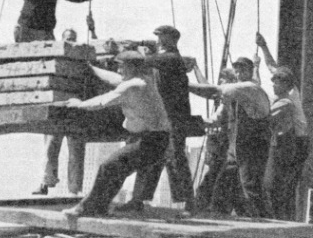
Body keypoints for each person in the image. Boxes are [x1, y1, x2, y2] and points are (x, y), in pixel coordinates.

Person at [62, 50, 171, 217]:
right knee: (117, 170)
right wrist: (91, 68)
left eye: (122, 67)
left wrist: (79, 104)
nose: (119, 70)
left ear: (133, 68)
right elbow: (113, 78)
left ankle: (85, 208)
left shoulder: (134, 86)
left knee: (109, 166)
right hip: (153, 139)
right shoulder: (142, 80)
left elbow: (103, 101)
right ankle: (99, 207)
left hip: (151, 140)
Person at [116, 25, 195, 213]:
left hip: (173, 117)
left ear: (172, 39)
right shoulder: (167, 57)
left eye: (161, 37)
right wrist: (139, 44)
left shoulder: (172, 58)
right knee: (150, 156)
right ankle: (138, 200)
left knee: (175, 157)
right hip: (162, 116)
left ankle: (188, 202)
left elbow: (147, 60)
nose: (158, 40)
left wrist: (130, 50)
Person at [190, 57, 272, 218]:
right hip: (236, 148)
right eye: (237, 70)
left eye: (243, 70)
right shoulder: (233, 97)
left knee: (250, 185)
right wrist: (198, 123)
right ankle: (220, 216)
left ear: (250, 72)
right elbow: (217, 118)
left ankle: (266, 220)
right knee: (224, 183)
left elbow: (214, 90)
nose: (240, 73)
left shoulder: (250, 87)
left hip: (252, 146)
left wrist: (180, 84)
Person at [255, 32, 310, 221]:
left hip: (297, 143)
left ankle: (283, 218)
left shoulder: (289, 98)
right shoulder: (287, 88)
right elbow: (272, 67)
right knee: (282, 184)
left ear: (285, 83)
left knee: (283, 184)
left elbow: (266, 118)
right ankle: (284, 217)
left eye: (276, 82)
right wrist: (263, 46)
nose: (273, 85)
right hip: (290, 140)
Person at [32, 28, 86, 195]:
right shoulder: (54, 59)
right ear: (61, 40)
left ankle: (74, 190)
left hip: (75, 112)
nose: (70, 41)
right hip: (57, 110)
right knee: (50, 148)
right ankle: (45, 183)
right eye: (68, 38)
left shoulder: (81, 60)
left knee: (76, 152)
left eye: (73, 39)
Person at [193, 68, 236, 213]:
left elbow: (214, 119)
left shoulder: (228, 100)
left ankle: (209, 207)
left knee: (216, 177)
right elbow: (207, 89)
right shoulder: (228, 99)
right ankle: (215, 207)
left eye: (223, 80)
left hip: (224, 144)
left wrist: (194, 122)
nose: (220, 83)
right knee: (218, 176)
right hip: (222, 143)